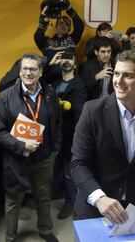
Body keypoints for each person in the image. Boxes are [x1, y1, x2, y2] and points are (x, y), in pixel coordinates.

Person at [71, 50, 135, 223]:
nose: (118, 81)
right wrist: (99, 198)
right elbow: (78, 164)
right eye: (116, 74)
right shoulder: (92, 111)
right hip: (96, 208)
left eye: (128, 76)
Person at [0, 53, 62, 242]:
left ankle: (45, 230)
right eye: (25, 69)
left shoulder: (49, 92)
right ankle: (10, 236)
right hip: (16, 158)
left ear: (40, 72)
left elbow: (57, 122)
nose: (28, 73)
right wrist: (21, 145)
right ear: (19, 71)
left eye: (33, 69)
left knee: (43, 195)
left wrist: (55, 147)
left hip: (45, 157)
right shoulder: (5, 97)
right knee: (14, 199)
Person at [49, 51, 87, 219]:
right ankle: (56, 193)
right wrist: (51, 64)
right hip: (52, 135)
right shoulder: (54, 82)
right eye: (63, 58)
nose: (65, 61)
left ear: (75, 64)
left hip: (69, 135)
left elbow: (80, 112)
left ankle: (70, 202)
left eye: (69, 58)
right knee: (55, 168)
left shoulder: (79, 84)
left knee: (68, 171)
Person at [34, 0, 84, 84]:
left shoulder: (72, 39)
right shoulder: (47, 42)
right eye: (60, 22)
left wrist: (69, 9)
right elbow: (37, 37)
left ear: (69, 29)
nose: (63, 25)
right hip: (49, 80)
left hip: (69, 80)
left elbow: (80, 25)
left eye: (67, 24)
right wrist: (43, 20)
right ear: (56, 26)